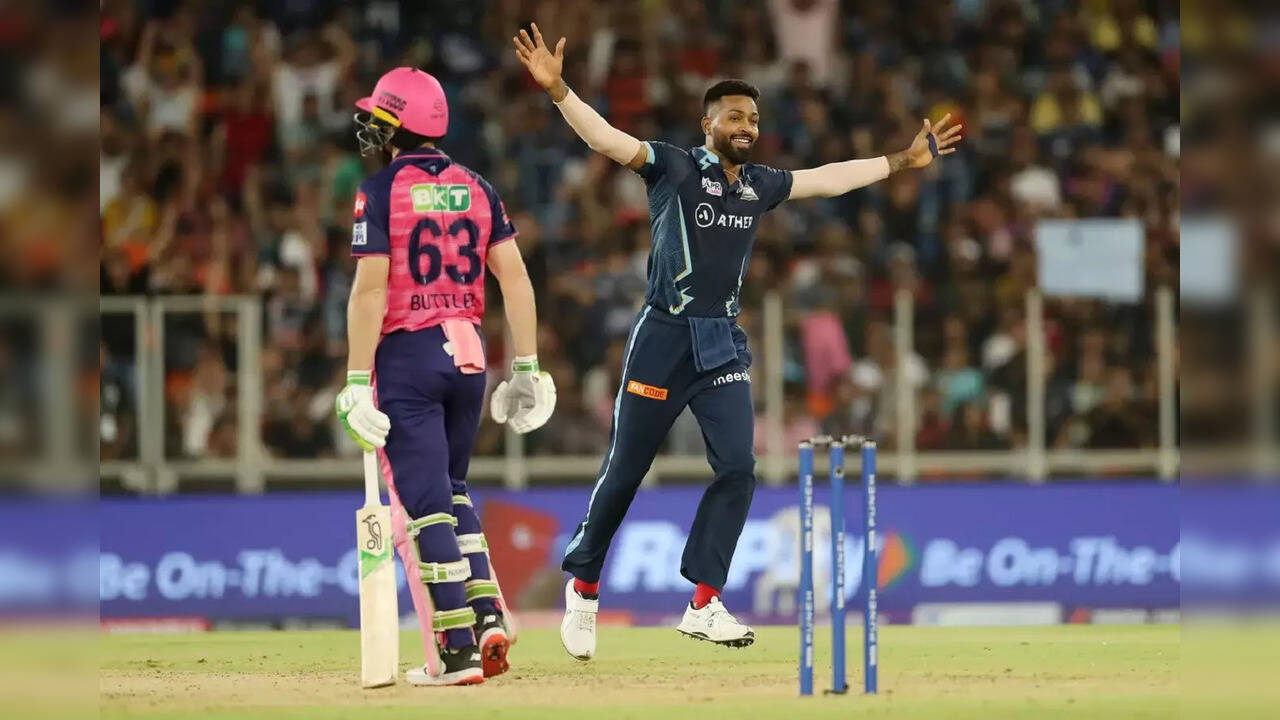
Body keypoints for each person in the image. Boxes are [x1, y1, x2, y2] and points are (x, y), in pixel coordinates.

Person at [512, 23, 961, 659]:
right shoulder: (672, 167)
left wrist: (901, 161)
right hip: (663, 337)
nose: (746, 125)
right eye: (734, 116)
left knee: (739, 469)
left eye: (752, 117)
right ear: (708, 124)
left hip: (720, 342)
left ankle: (704, 602)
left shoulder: (759, 185)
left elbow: (827, 178)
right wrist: (560, 92)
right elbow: (607, 139)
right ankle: (584, 588)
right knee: (627, 470)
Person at [334, 67, 556, 686]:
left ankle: (454, 653)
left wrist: (355, 380)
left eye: (380, 118)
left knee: (425, 506)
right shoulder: (478, 187)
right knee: (453, 492)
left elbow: (369, 291)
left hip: (408, 356)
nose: (372, 128)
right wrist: (527, 365)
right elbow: (515, 277)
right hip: (469, 357)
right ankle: (487, 620)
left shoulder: (379, 190)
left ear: (395, 126)